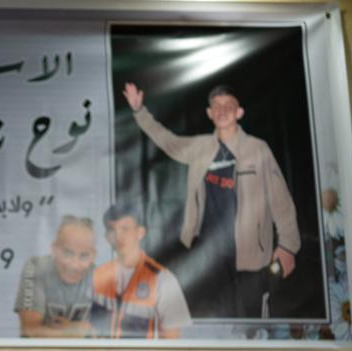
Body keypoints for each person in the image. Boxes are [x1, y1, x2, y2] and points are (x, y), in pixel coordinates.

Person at [123, 83, 301, 318]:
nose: (222, 110)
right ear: (209, 113)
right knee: (223, 317)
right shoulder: (200, 147)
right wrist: (139, 112)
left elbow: (281, 200)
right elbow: (167, 140)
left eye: (229, 106)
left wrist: (288, 246)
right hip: (212, 253)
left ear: (239, 113)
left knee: (254, 318)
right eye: (216, 106)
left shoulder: (258, 149)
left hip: (251, 252)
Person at [92, 200, 191, 339]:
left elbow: (171, 343)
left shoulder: (163, 280)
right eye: (112, 230)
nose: (118, 236)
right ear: (106, 237)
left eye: (125, 229)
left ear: (140, 232)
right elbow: (87, 330)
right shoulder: (97, 276)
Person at [13, 215, 96, 338]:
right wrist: (77, 331)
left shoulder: (101, 278)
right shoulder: (36, 267)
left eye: (83, 256)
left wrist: (68, 332)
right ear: (54, 250)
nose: (74, 265)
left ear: (93, 257)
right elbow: (29, 331)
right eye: (67, 253)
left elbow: (110, 335)